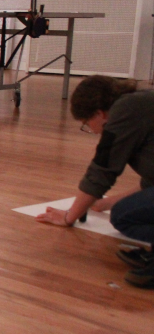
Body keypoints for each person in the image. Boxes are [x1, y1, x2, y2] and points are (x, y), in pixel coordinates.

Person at [35, 75, 154, 288]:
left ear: (99, 113)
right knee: (125, 209)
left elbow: (102, 170)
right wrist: (108, 202)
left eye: (87, 124)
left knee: (124, 217)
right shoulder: (139, 102)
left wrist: (69, 217)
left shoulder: (124, 112)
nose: (92, 130)